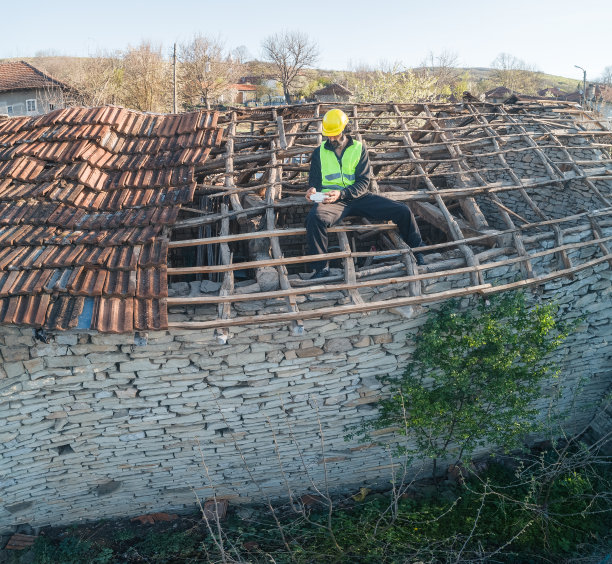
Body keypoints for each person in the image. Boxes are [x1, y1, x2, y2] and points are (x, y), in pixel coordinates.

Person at [305, 108, 425, 279]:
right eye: (328, 135)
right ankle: (321, 268)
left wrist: (342, 193)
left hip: (358, 197)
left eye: (335, 134)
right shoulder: (319, 152)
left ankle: (418, 251)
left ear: (344, 130)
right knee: (314, 218)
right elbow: (315, 182)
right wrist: (312, 191)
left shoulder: (358, 149)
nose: (331, 138)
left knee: (403, 211)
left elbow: (363, 183)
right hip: (332, 202)